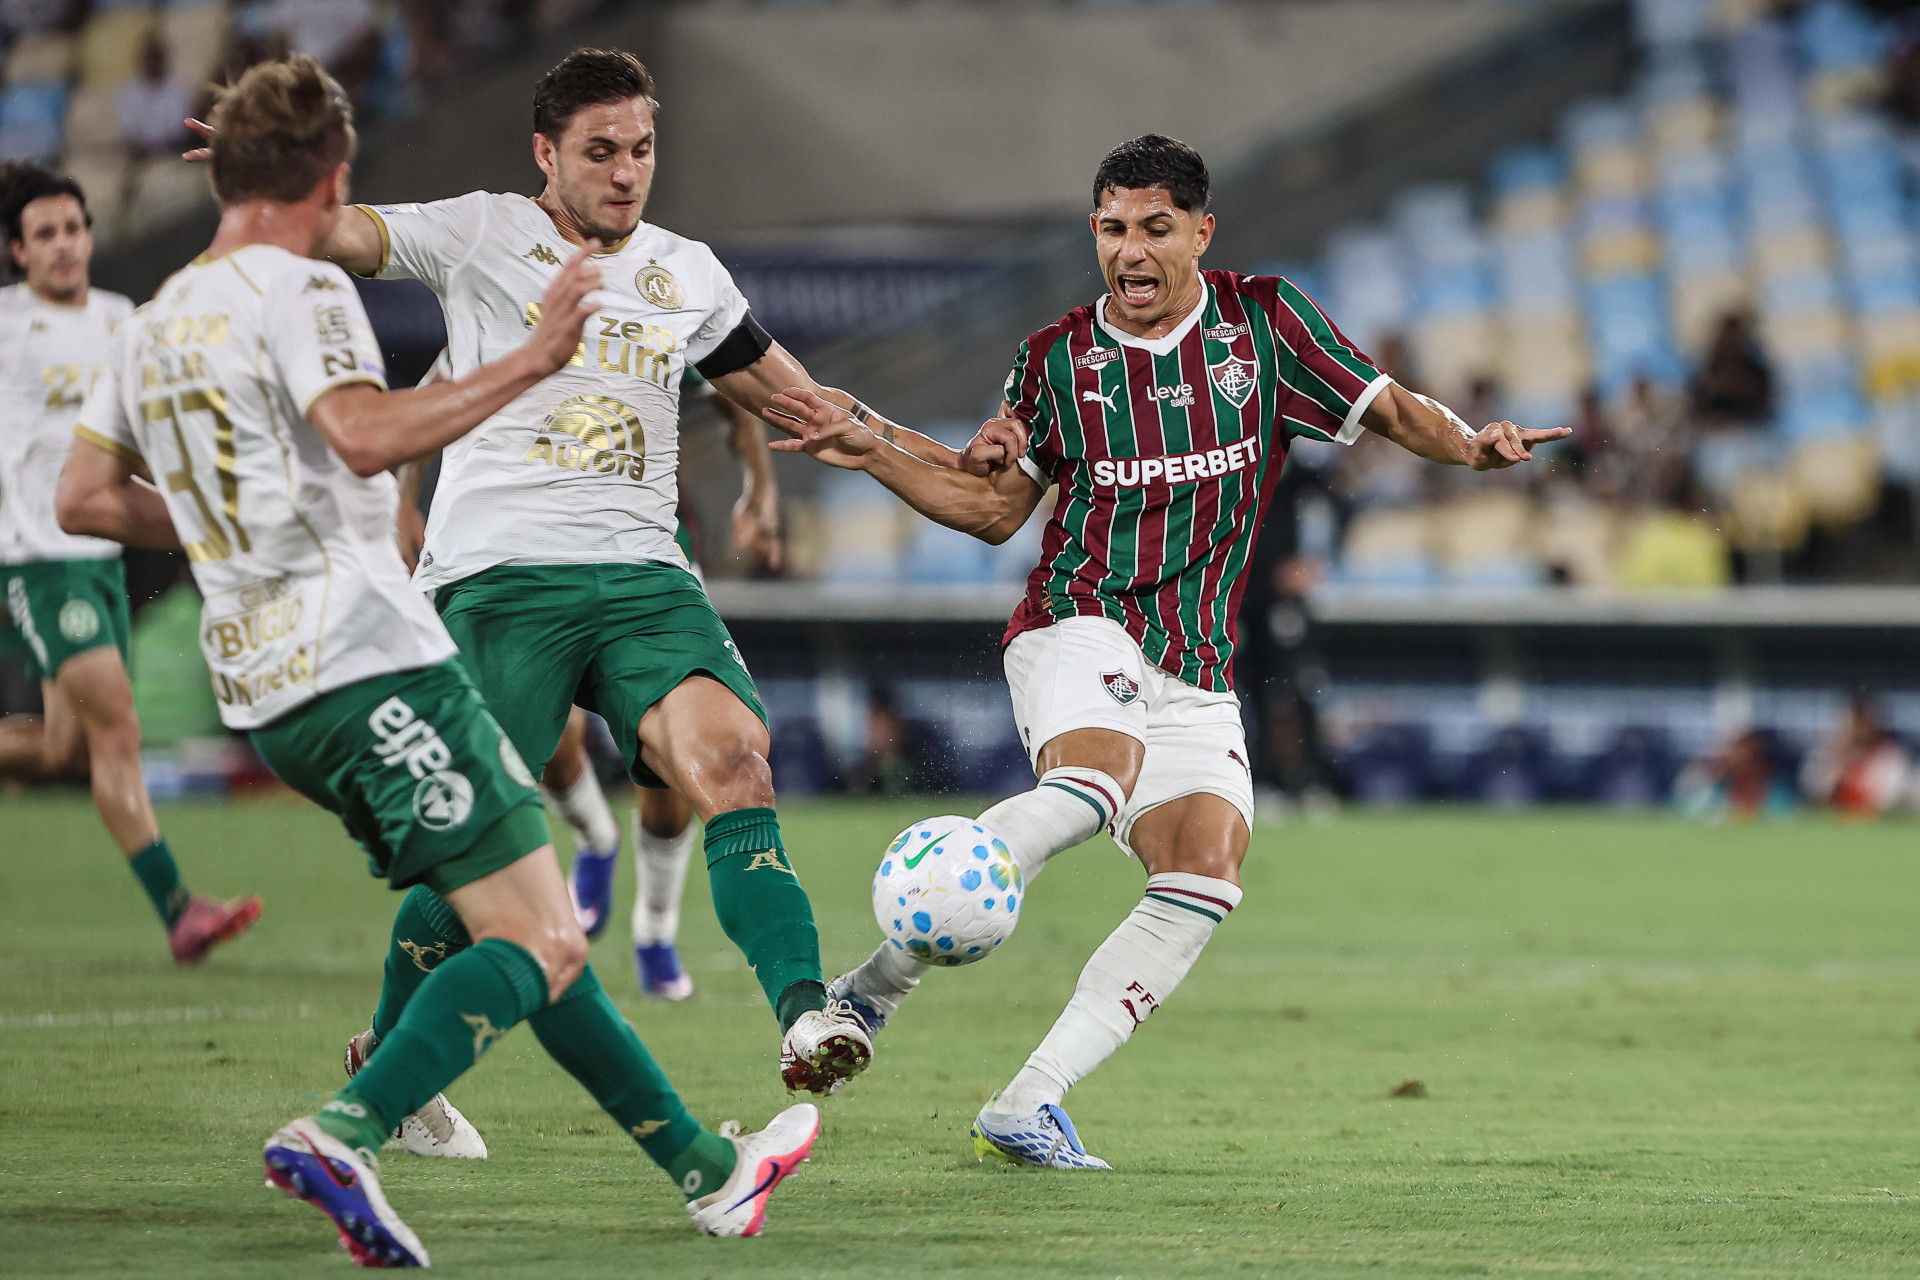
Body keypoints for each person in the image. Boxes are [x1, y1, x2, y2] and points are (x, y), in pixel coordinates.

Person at [60, 58, 818, 1259]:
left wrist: (229, 528)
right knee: (536, 934)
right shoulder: (306, 293)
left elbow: (86, 498)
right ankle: (349, 1124)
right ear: (331, 176)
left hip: (266, 686)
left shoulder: (149, 320)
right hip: (370, 657)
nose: (626, 170)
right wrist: (527, 359)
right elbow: (363, 434)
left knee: (535, 926)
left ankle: (710, 1172)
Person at [182, 46, 984, 1093]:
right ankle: (386, 1053)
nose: (626, 171)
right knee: (480, 839)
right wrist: (262, 174)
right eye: (600, 151)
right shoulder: (477, 231)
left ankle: (806, 1016)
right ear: (544, 153)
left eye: (642, 149)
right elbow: (337, 231)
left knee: (737, 762)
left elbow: (810, 403)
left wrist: (939, 458)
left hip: (646, 579)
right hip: (499, 579)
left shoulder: (687, 270)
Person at [771, 134, 1567, 1167]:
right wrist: (875, 446)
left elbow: (1387, 406)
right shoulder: (1056, 358)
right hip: (1079, 618)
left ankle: (1027, 1102)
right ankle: (873, 991)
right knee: (1093, 784)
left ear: (1201, 233)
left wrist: (1470, 444)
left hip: (1193, 661)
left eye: (1155, 228)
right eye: (1113, 229)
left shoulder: (1264, 323)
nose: (1131, 251)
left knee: (1206, 870)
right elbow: (990, 508)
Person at [0, 160, 261, 966]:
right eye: (44, 234)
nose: (63, 244)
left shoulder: (121, 321)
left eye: (73, 228)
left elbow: (136, 438)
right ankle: (181, 911)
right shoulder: (6, 324)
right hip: (38, 558)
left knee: (65, 750)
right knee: (119, 723)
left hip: (101, 556)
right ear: (18, 251)